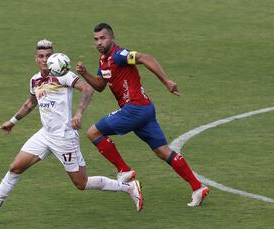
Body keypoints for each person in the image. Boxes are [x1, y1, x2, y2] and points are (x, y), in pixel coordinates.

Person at [0, 39, 144, 217]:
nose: (44, 59)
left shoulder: (63, 75)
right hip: (45, 134)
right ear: (36, 59)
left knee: (81, 183)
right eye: (41, 56)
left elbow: (87, 89)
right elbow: (31, 103)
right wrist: (12, 121)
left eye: (48, 55)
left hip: (64, 137)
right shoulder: (35, 80)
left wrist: (78, 114)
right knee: (15, 167)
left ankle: (128, 187)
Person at [75, 23, 209, 207]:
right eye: (96, 39)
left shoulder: (119, 55)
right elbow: (99, 85)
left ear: (112, 37)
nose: (99, 42)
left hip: (134, 109)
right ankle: (198, 187)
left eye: (103, 38)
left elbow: (146, 58)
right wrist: (85, 74)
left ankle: (124, 170)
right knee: (163, 152)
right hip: (145, 110)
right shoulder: (103, 60)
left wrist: (166, 81)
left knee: (93, 132)